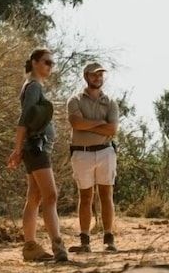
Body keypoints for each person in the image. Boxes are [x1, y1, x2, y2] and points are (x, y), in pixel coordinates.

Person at [7, 49, 68, 262]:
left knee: (34, 196)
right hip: (36, 148)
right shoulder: (33, 87)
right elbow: (24, 121)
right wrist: (17, 148)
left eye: (52, 63)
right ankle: (58, 246)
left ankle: (30, 247)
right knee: (50, 195)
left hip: (37, 147)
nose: (49, 66)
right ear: (34, 62)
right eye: (46, 62)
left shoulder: (35, 86)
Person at [67, 62, 119, 253]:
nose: (98, 78)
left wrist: (87, 124)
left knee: (106, 194)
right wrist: (99, 123)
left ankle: (108, 238)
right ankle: (84, 240)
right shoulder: (75, 100)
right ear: (86, 76)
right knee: (85, 196)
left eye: (100, 75)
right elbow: (76, 123)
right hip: (82, 152)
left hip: (105, 151)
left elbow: (112, 129)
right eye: (94, 75)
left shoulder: (110, 102)